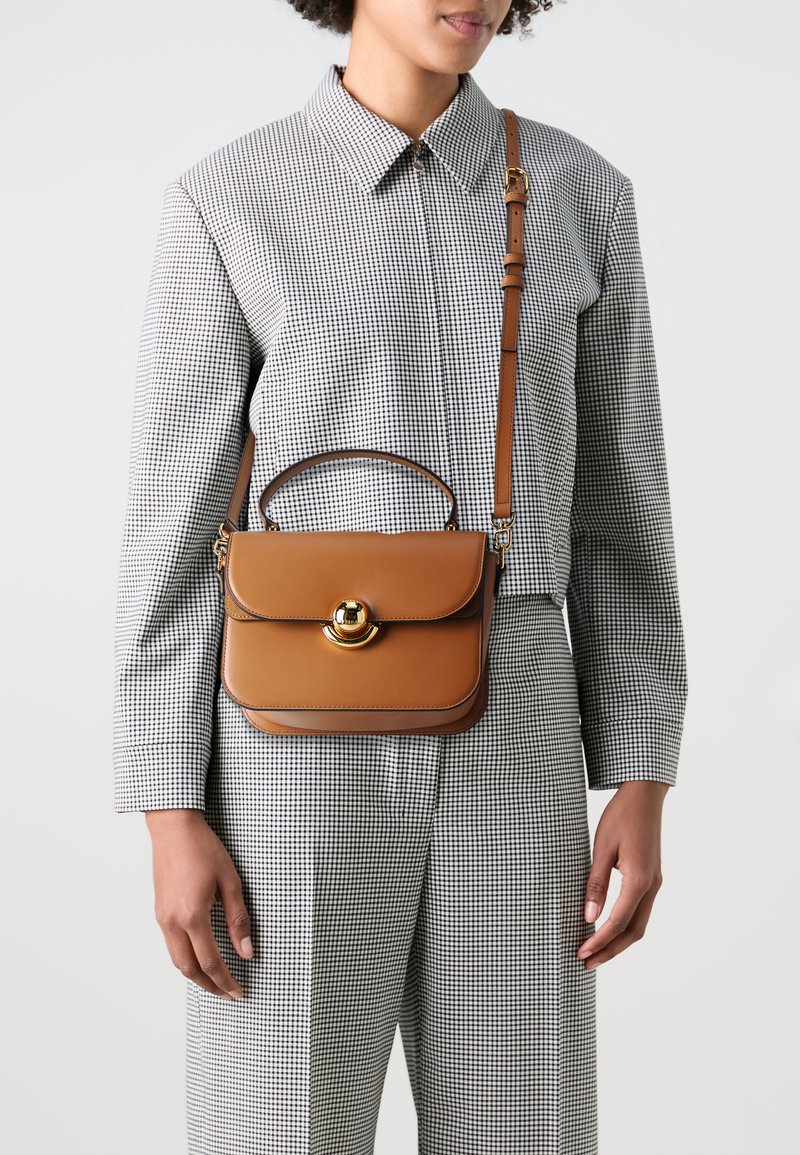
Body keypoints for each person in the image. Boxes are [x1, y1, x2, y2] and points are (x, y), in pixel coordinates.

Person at [112, 2, 689, 1153]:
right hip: (285, 741)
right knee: (276, 1129)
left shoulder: (579, 194)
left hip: (515, 732)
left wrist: (641, 775)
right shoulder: (229, 198)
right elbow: (173, 522)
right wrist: (168, 809)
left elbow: (618, 511)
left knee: (520, 1130)